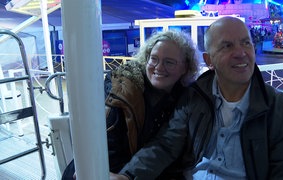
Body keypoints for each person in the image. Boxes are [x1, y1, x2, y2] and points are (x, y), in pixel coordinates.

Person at [112, 16, 283, 180]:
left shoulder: (281, 110)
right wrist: (128, 176)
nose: (240, 53)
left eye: (246, 43)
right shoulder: (194, 98)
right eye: (227, 46)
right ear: (209, 60)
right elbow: (165, 145)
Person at [61, 30, 200, 179]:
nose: (159, 67)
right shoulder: (123, 87)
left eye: (169, 62)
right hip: (104, 169)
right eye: (154, 59)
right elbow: (109, 143)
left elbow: (167, 145)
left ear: (185, 67)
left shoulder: (185, 97)